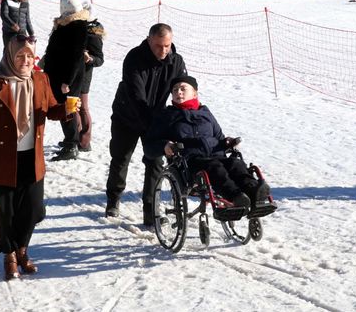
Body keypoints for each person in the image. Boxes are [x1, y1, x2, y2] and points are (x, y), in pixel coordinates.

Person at [0, 35, 76, 280]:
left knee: (33, 210)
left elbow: (49, 110)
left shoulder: (41, 79)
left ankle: (22, 248)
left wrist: (68, 109)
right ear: (10, 56)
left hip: (32, 157)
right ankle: (10, 255)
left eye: (30, 56)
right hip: (1, 159)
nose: (26, 61)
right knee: (4, 211)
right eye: (20, 56)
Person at [144, 76, 273, 212]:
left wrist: (226, 142)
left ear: (194, 93)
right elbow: (149, 146)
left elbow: (219, 136)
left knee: (236, 164)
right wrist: (165, 146)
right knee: (214, 168)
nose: (178, 92)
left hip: (216, 155)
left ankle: (254, 192)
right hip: (190, 162)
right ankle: (235, 196)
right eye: (175, 90)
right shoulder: (166, 116)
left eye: (183, 88)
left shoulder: (205, 112)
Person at [105, 23, 186, 225]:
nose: (163, 50)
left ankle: (151, 212)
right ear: (149, 40)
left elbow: (182, 89)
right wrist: (154, 128)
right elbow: (136, 96)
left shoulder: (175, 61)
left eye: (167, 45)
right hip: (128, 116)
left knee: (155, 162)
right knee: (121, 158)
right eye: (159, 46)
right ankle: (113, 200)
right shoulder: (134, 58)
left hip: (155, 117)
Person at [43, 0, 89, 160]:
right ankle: (71, 139)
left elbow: (76, 56)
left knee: (68, 108)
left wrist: (67, 81)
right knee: (65, 108)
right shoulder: (66, 24)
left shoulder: (77, 26)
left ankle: (72, 144)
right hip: (59, 74)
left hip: (68, 78)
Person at [77, 1, 105, 152]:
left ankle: (85, 141)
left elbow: (99, 58)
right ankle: (74, 137)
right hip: (71, 73)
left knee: (82, 107)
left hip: (83, 74)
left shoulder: (93, 30)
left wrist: (90, 59)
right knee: (71, 107)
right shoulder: (75, 25)